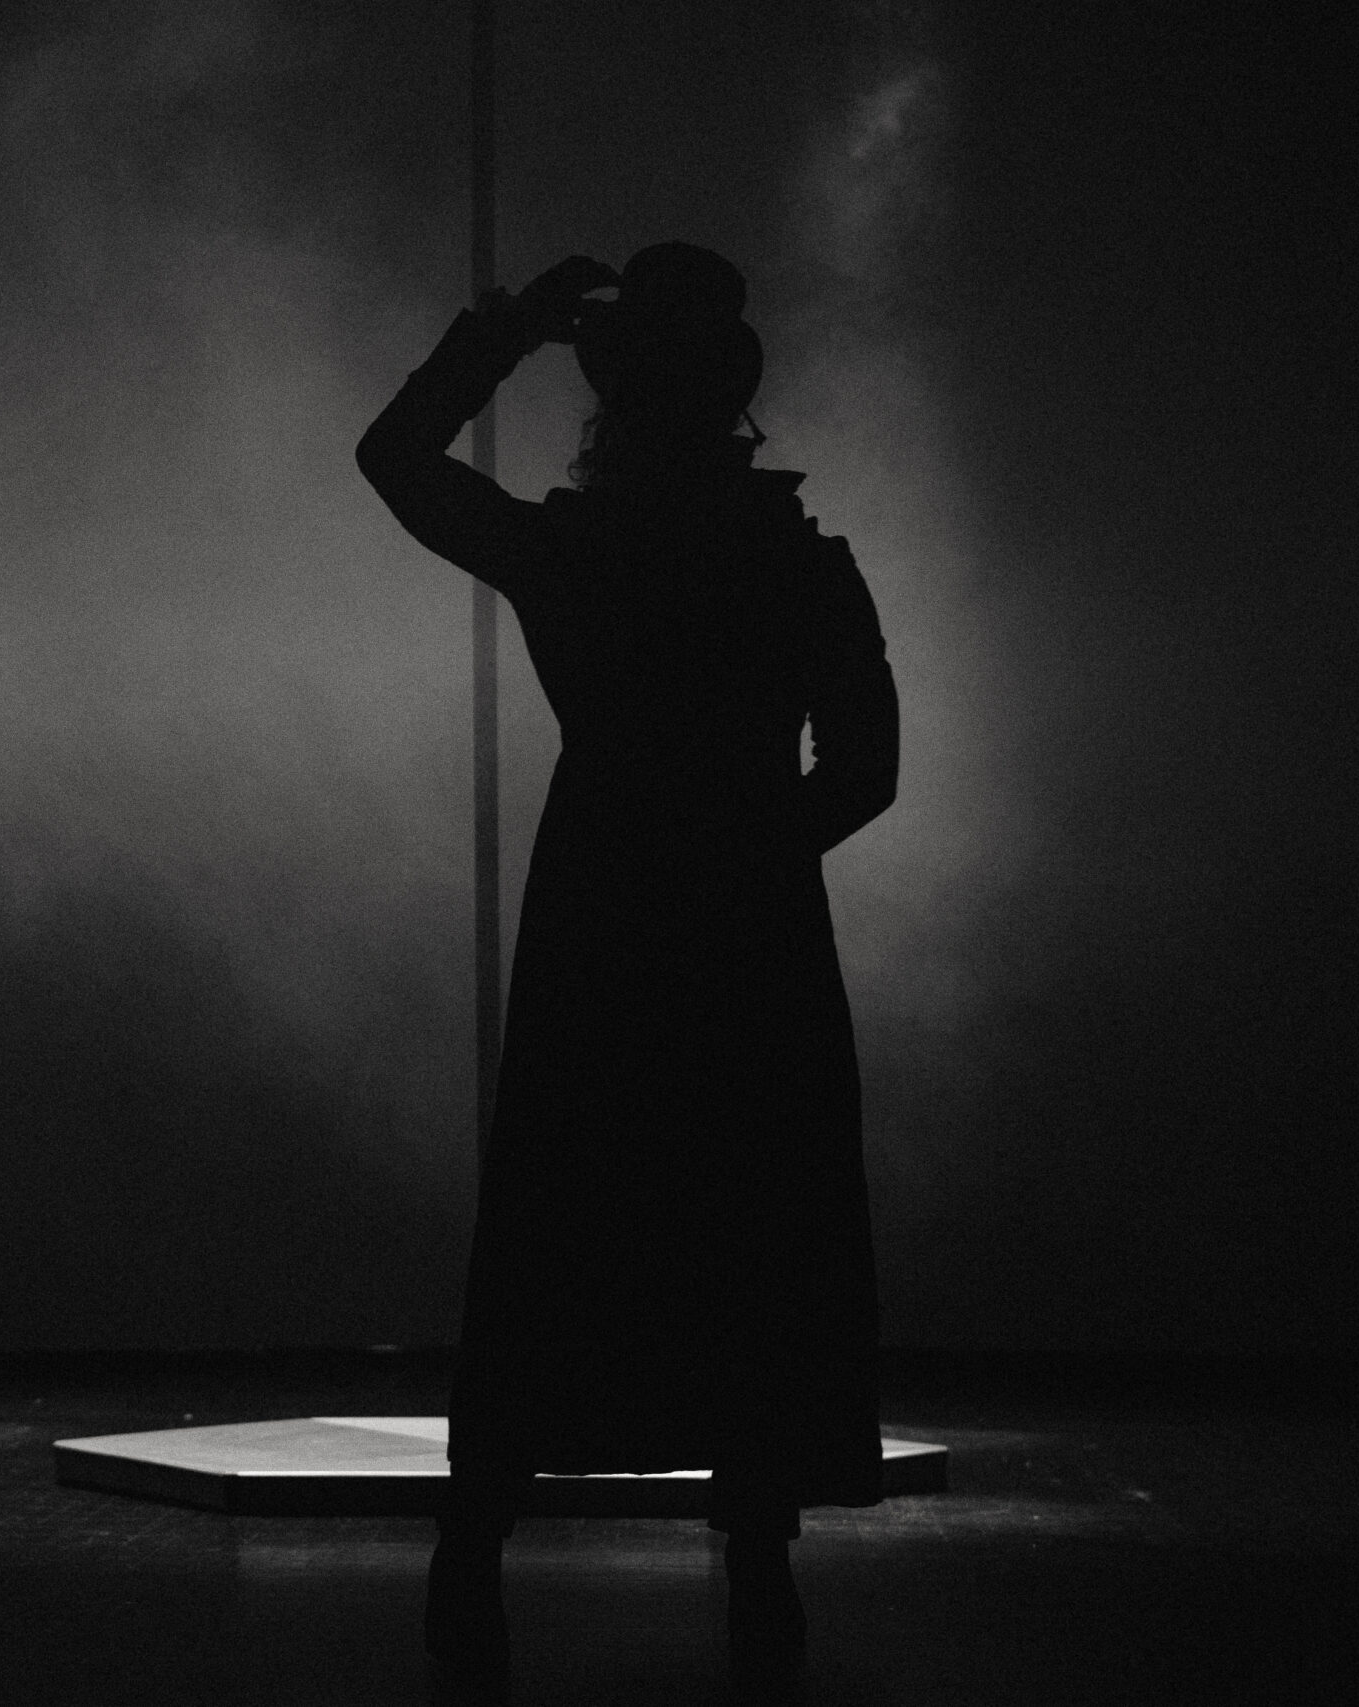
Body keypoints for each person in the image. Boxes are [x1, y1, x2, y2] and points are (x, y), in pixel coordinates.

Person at [355, 243, 899, 1697]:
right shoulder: (800, 567)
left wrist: (506, 335)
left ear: (614, 406)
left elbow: (393, 458)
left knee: (563, 1212)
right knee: (750, 1223)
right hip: (751, 929)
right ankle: (760, 1560)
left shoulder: (573, 553)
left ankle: (476, 1542)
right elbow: (868, 770)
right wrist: (752, 851)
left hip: (601, 904)